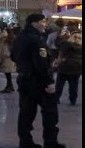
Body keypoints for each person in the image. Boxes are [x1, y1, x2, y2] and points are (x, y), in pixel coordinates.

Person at [13, 13, 62, 148]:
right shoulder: (36, 39)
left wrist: (24, 65)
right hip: (39, 82)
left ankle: (25, 142)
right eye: (43, 22)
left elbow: (13, 55)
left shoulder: (20, 38)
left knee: (26, 113)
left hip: (24, 79)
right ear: (34, 23)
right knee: (50, 112)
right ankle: (51, 142)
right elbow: (41, 64)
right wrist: (49, 82)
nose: (45, 24)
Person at [53, 28, 82, 106]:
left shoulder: (67, 44)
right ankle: (73, 100)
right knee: (74, 85)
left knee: (59, 84)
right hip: (77, 68)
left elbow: (58, 46)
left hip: (65, 67)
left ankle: (56, 99)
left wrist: (61, 36)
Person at [0, 26, 17, 93]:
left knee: (8, 75)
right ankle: (9, 86)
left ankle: (9, 87)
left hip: (7, 60)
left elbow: (5, 52)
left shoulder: (6, 42)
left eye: (4, 32)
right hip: (8, 60)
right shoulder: (7, 40)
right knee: (8, 75)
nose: (2, 33)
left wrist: (1, 58)